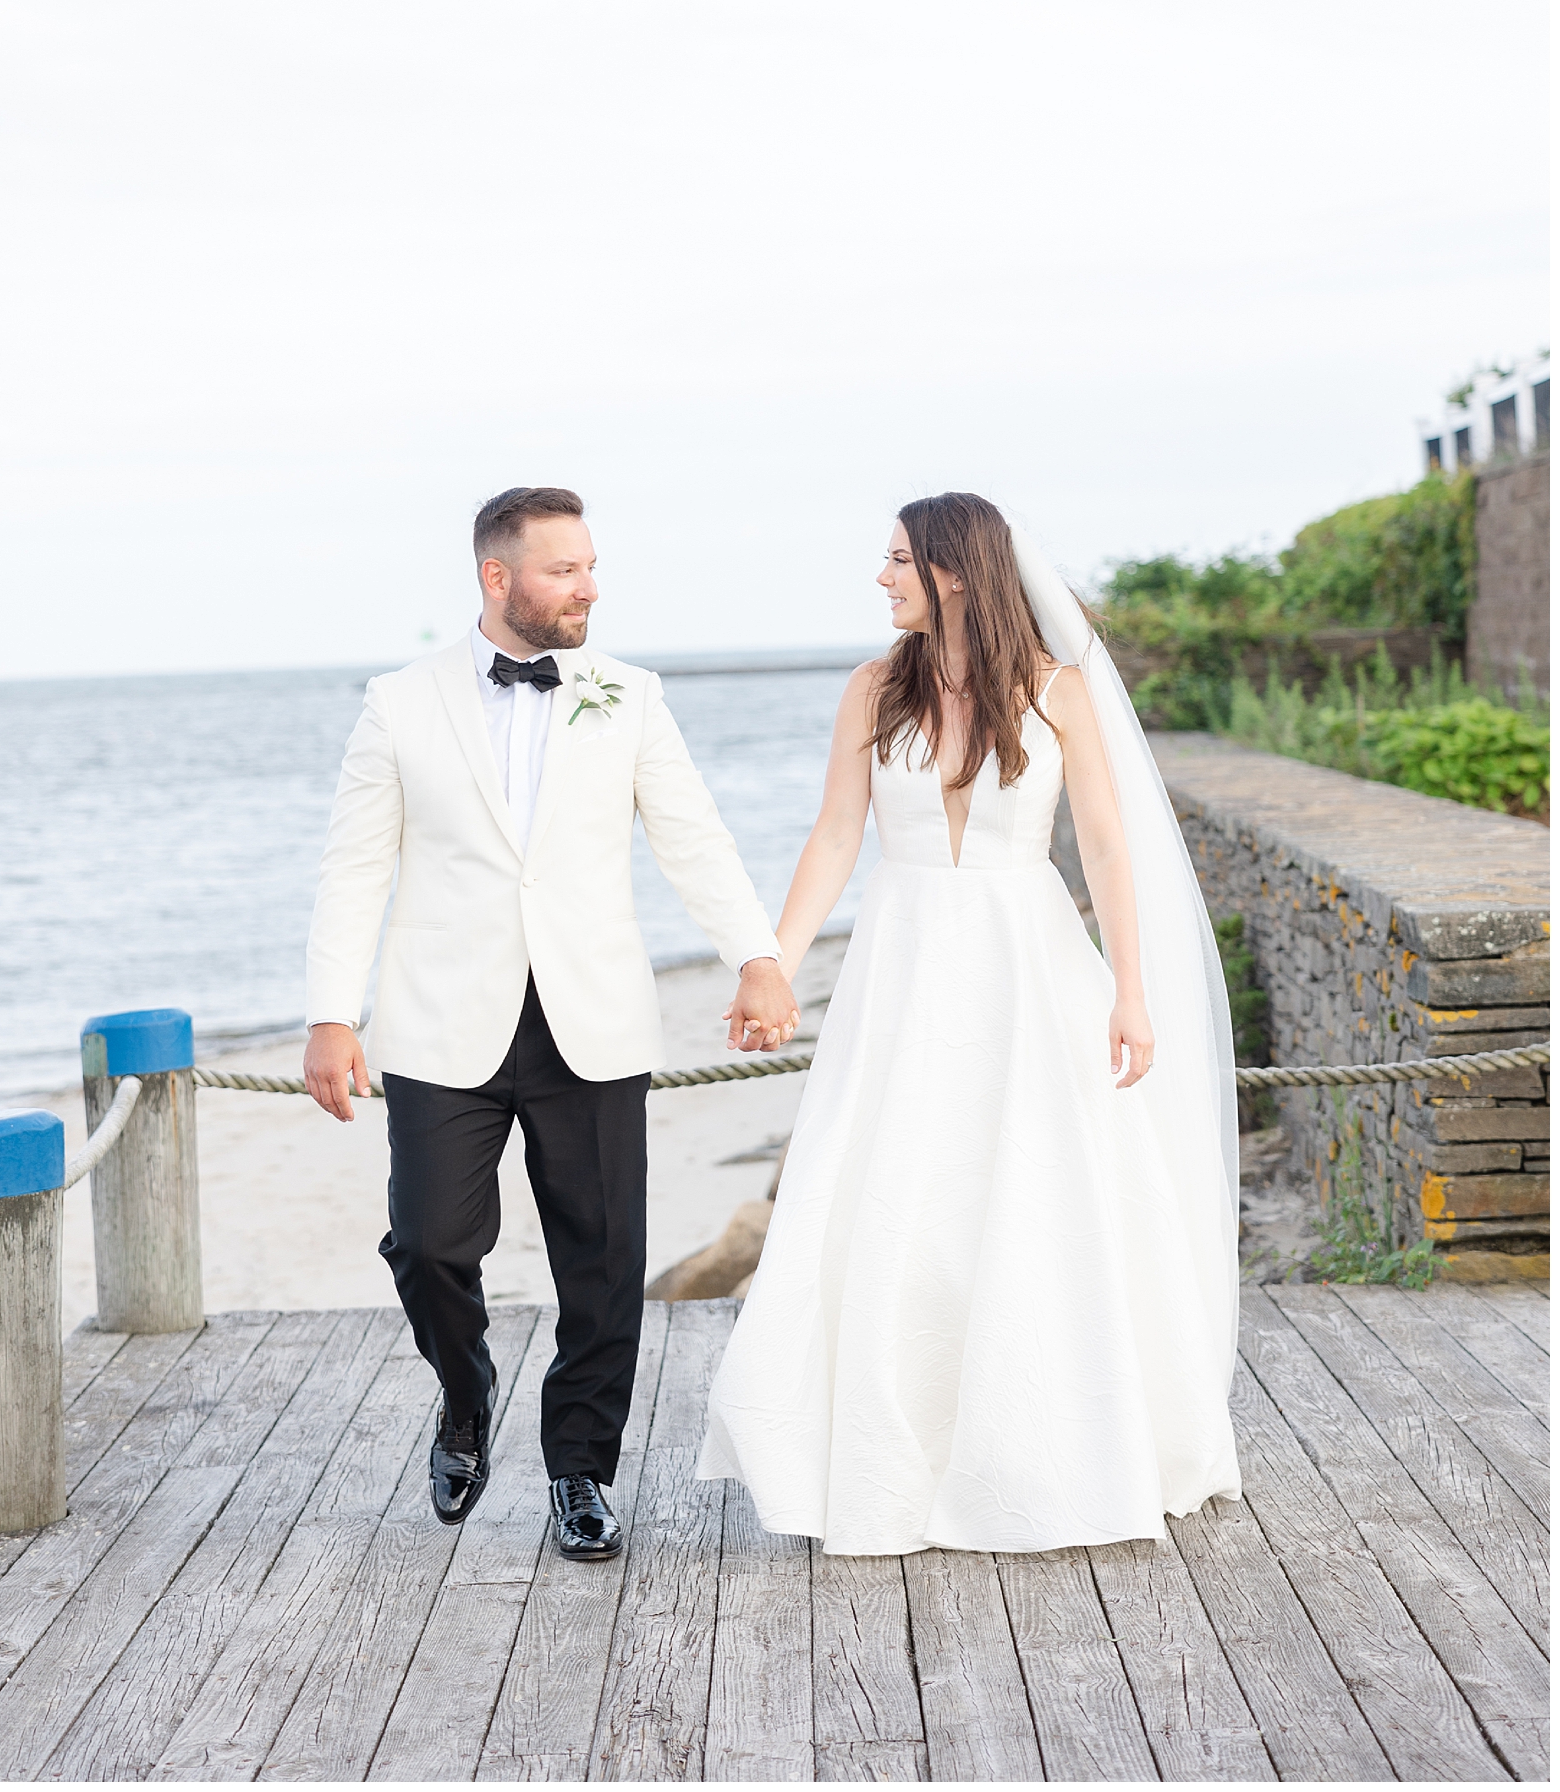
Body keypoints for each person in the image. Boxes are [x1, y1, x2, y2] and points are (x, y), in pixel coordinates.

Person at [698, 491, 1242, 1555]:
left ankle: (1043, 1450)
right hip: (899, 965)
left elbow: (1106, 847)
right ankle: (886, 1456)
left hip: (1026, 963)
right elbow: (832, 839)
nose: (882, 576)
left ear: (952, 572)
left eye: (898, 559)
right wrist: (771, 963)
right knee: (894, 1188)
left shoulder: (1059, 690)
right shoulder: (870, 688)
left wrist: (1129, 989)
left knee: (1035, 1188)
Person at [302, 486, 789, 1562]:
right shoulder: (399, 702)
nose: (588, 586)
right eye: (564, 569)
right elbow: (353, 866)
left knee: (603, 1259)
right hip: (439, 1023)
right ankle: (465, 1391)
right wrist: (331, 1014)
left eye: (589, 565)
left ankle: (579, 1469)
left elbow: (693, 838)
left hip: (594, 1018)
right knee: (428, 1241)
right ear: (496, 577)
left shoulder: (631, 694)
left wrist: (755, 956)